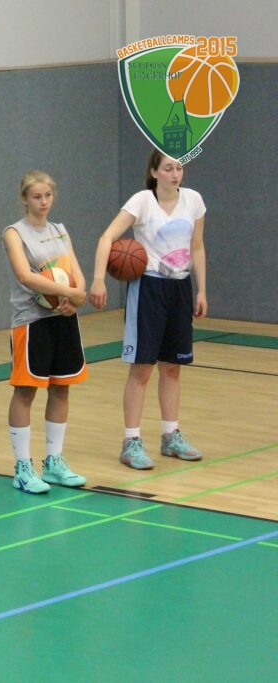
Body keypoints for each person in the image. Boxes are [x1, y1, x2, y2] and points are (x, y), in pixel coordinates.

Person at [89, 151, 207, 469]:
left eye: (179, 168)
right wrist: (98, 279)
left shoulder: (194, 200)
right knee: (141, 369)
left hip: (180, 288)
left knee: (172, 367)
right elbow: (106, 237)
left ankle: (171, 436)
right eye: (168, 168)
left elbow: (197, 246)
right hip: (148, 289)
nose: (175, 173)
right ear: (154, 172)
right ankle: (131, 441)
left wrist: (201, 290)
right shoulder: (142, 201)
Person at [2, 171, 89, 494]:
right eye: (37, 196)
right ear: (25, 199)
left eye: (48, 196)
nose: (43, 202)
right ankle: (23, 467)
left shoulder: (60, 230)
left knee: (61, 388)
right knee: (26, 391)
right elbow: (25, 276)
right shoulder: (14, 233)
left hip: (63, 318)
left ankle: (53, 461)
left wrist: (76, 296)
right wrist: (68, 292)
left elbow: (76, 272)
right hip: (31, 321)